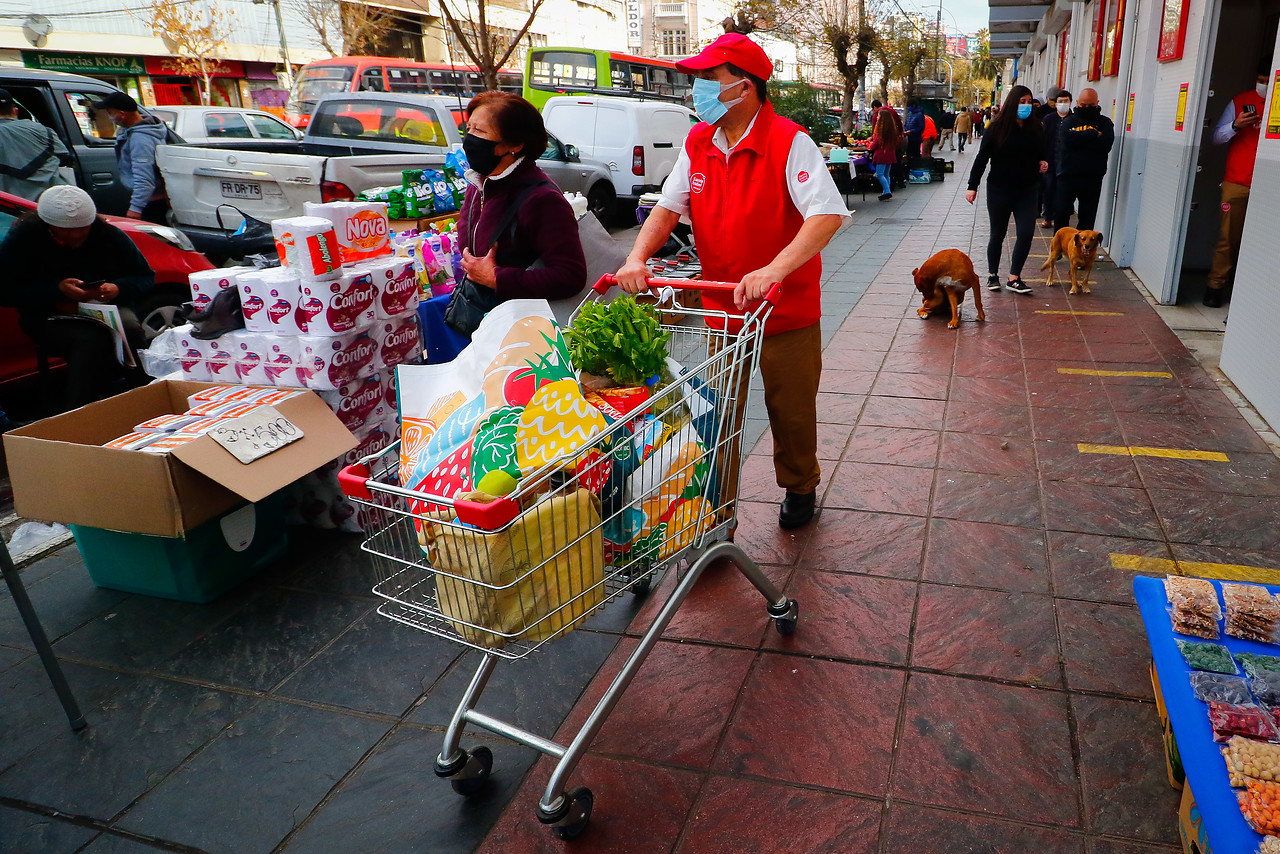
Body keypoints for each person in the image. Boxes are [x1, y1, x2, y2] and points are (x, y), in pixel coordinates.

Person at [614, 33, 848, 530]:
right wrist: (636, 257)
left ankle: (800, 484)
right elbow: (668, 207)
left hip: (785, 308)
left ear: (742, 88)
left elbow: (826, 215)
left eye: (706, 80)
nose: (695, 89)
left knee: (791, 410)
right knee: (717, 415)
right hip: (723, 308)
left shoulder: (789, 141)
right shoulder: (699, 142)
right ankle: (717, 509)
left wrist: (773, 270)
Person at [0, 186, 154, 409]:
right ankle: (81, 408)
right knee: (90, 339)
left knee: (129, 328)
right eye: (66, 230)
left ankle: (144, 395)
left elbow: (145, 276)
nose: (76, 234)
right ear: (48, 226)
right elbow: (6, 291)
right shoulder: (24, 239)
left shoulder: (108, 235)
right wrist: (56, 290)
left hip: (106, 308)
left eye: (83, 229)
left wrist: (118, 288)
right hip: (49, 316)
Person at [450, 91, 586, 336]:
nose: (470, 139)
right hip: (484, 325)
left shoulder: (542, 199)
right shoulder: (479, 184)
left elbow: (571, 276)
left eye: (479, 132)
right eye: (468, 129)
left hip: (524, 334)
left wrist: (497, 278)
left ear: (514, 145)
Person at [966, 85, 1047, 295]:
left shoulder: (1037, 127)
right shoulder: (996, 128)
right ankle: (993, 274)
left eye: (1029, 102)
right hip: (1000, 188)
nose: (1026, 106)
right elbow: (982, 158)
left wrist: (1043, 162)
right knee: (997, 233)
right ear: (1013, 103)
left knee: (1026, 232)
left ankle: (1014, 277)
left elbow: (1042, 153)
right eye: (1022, 102)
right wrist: (972, 186)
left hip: (1027, 189)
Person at [1203, 56, 1271, 307]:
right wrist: (1236, 124)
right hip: (1238, 182)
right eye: (1260, 80)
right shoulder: (1241, 101)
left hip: (1270, 185)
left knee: (1265, 240)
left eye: (1267, 81)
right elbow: (1217, 137)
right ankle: (1215, 287)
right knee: (1227, 238)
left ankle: (1254, 294)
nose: (1262, 85)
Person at [92, 92, 168, 223]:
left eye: (110, 113)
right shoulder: (135, 131)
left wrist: (136, 208)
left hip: (152, 203)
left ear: (121, 114)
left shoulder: (140, 138)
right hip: (152, 200)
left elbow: (144, 177)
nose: (109, 116)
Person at [1052, 87, 1114, 234]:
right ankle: (1059, 247)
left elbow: (1105, 144)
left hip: (1092, 178)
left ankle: (1081, 252)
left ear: (1097, 103)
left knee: (1087, 218)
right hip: (1067, 175)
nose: (1086, 108)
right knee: (1061, 213)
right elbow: (1067, 139)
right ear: (1078, 103)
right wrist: (1093, 133)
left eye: (1090, 106)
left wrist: (1079, 137)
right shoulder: (1068, 121)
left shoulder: (1105, 123)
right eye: (1083, 105)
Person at [0, 88, 71, 201]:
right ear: (15, 111)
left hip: (6, 208)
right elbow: (64, 155)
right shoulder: (44, 131)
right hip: (46, 206)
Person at [1040, 89, 1072, 229]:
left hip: (1067, 163)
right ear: (1056, 103)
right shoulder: (1049, 119)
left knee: (1064, 191)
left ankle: (1062, 216)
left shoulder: (1074, 119)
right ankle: (1048, 217)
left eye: (1066, 101)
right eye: (1060, 101)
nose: (1063, 104)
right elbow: (1043, 140)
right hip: (1050, 161)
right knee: (1049, 189)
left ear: (1070, 102)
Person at [868, 108, 901, 201]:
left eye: (878, 116)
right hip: (890, 153)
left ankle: (887, 191)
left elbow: (876, 142)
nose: (877, 117)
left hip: (881, 155)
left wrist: (871, 145)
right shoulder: (892, 129)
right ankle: (886, 190)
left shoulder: (880, 130)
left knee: (879, 174)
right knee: (886, 174)